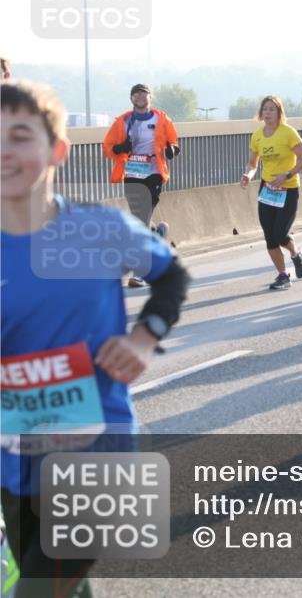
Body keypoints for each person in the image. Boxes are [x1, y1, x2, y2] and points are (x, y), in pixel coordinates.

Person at [2, 80, 190, 598]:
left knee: (37, 593)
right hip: (14, 460)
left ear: (56, 150)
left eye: (19, 135)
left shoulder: (101, 229)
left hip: (97, 454)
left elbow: (171, 275)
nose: (4, 151)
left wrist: (144, 338)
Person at [101, 84, 181, 287]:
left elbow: (174, 141)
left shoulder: (162, 119)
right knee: (140, 218)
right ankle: (156, 234)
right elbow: (108, 148)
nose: (139, 96)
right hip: (132, 173)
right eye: (135, 94)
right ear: (131, 99)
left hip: (154, 173)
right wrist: (120, 147)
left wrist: (172, 149)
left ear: (150, 97)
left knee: (140, 220)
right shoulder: (123, 120)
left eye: (143, 93)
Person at [240, 95, 302, 290]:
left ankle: (296, 254)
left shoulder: (288, 132)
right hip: (267, 188)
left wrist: (287, 175)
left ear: (279, 112)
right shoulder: (257, 135)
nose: (267, 113)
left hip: (287, 188)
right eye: (265, 109)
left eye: (272, 109)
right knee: (269, 235)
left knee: (280, 233)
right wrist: (248, 174)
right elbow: (253, 163)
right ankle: (283, 275)